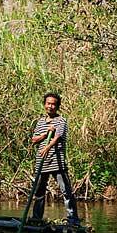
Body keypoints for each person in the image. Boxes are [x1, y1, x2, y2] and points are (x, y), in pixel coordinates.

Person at [31, 92, 80, 226]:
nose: (50, 106)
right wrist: (46, 134)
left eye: (53, 104)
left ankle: (73, 219)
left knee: (66, 191)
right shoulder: (40, 122)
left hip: (57, 162)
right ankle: (36, 218)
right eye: (48, 103)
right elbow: (34, 140)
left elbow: (58, 136)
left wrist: (49, 146)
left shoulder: (61, 121)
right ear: (44, 105)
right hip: (42, 162)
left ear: (57, 106)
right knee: (39, 192)